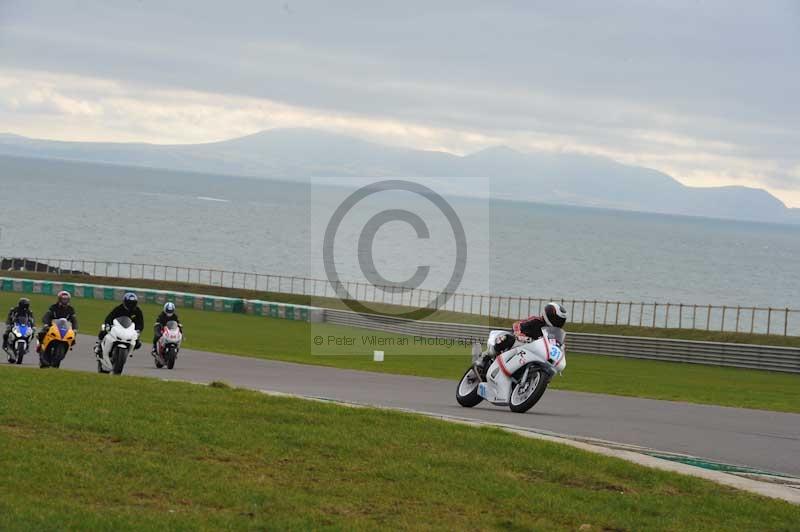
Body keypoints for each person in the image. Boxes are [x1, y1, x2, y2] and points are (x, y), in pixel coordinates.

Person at [476, 302, 568, 371]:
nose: (558, 322)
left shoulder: (554, 334)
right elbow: (517, 325)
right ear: (549, 314)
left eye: (560, 320)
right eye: (557, 319)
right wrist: (519, 334)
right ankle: (485, 357)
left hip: (535, 352)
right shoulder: (536, 321)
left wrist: (561, 350)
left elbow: (558, 346)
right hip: (521, 343)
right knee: (507, 339)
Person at [94, 292, 145, 357]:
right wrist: (108, 325)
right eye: (129, 303)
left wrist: (138, 330)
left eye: (133, 303)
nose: (131, 305)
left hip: (129, 330)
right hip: (117, 327)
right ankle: (98, 345)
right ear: (125, 302)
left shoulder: (137, 311)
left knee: (138, 343)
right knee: (104, 330)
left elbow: (140, 323)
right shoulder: (119, 308)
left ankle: (127, 351)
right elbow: (110, 317)